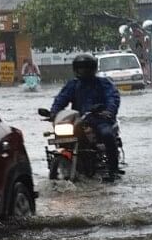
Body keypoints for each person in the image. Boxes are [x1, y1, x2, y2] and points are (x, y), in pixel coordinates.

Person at [50, 53, 122, 182]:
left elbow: (113, 98)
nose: (82, 71)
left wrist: (108, 111)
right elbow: (61, 99)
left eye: (85, 68)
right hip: (79, 120)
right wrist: (54, 113)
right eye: (80, 68)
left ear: (92, 69)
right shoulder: (73, 84)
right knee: (62, 136)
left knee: (107, 135)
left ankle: (113, 170)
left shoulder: (103, 83)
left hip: (100, 119)